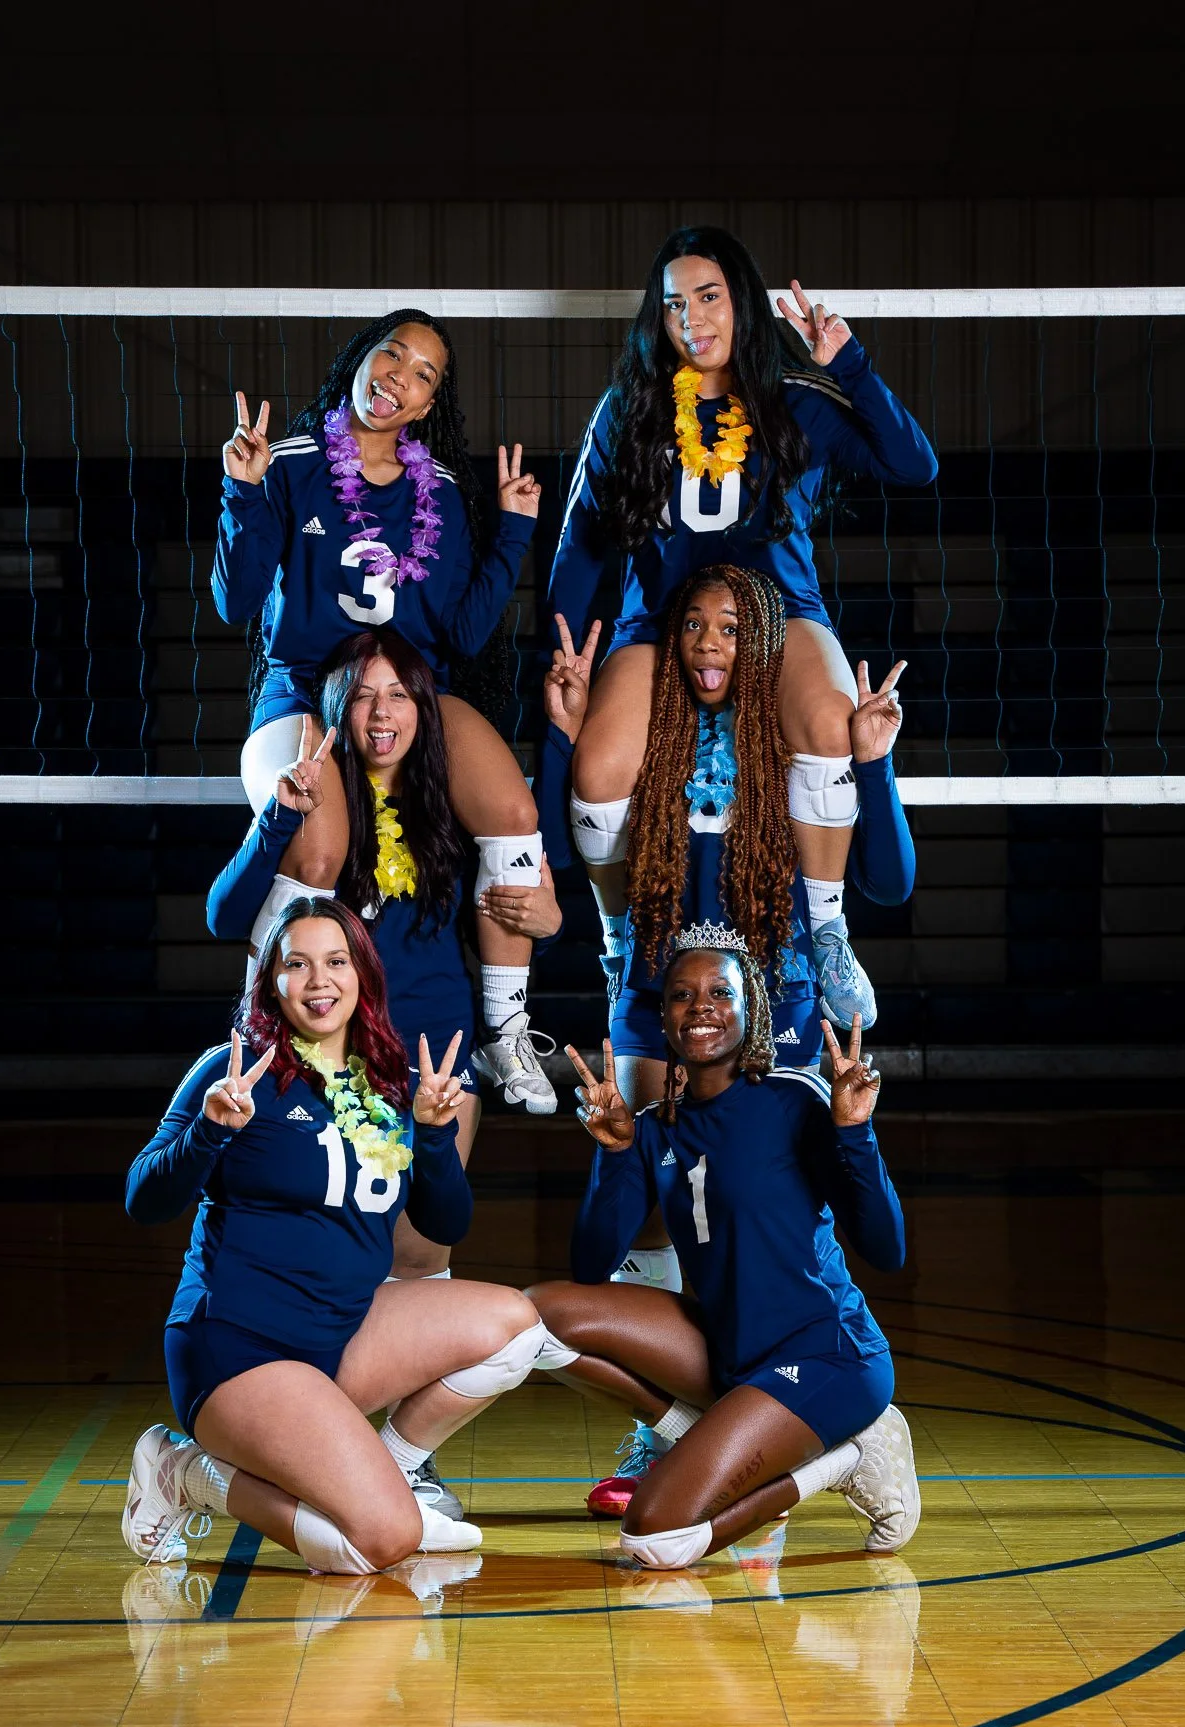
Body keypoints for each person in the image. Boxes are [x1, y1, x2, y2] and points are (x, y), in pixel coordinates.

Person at [540, 565, 914, 1510]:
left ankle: (818, 1397)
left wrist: (872, 758)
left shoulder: (790, 760)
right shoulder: (647, 752)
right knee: (655, 1199)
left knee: (768, 1198)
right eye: (693, 627)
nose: (710, 644)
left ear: (761, 650)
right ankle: (666, 1426)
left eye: (731, 630)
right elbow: (561, 844)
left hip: (771, 996)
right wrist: (563, 733)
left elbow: (892, 878)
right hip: (656, 991)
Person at [548, 224, 936, 1029]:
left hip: (778, 613)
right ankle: (622, 942)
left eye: (708, 296)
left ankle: (826, 929)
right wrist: (568, 648)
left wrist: (847, 363)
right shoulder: (631, 407)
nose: (690, 317)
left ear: (743, 303)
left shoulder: (792, 397)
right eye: (672, 304)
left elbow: (914, 465)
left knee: (831, 722)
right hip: (657, 621)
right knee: (597, 771)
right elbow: (583, 542)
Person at [122, 897, 576, 1579]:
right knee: (378, 1545)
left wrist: (431, 1136)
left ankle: (388, 1476)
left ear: (363, 974)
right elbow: (143, 1199)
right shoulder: (235, 1070)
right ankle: (185, 1472)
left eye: (335, 961)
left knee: (514, 1324)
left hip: (340, 1337)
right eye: (296, 964)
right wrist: (210, 1131)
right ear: (269, 982)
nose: (318, 980)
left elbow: (446, 1225)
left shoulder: (388, 1087)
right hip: (239, 1351)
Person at [212, 309, 556, 1109]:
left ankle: (504, 1031)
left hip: (405, 696)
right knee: (318, 854)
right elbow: (235, 603)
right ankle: (265, 1026)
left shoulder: (435, 489)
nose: (400, 374)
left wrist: (512, 532)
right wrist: (244, 490)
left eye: (423, 372)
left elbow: (462, 633)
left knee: (511, 808)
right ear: (360, 363)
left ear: (427, 404)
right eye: (390, 353)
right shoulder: (290, 461)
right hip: (305, 691)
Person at [528, 932, 920, 1568]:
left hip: (823, 1356)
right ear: (663, 1018)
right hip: (727, 1348)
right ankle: (718, 1436)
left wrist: (856, 1133)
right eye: (682, 995)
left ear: (752, 1009)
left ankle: (846, 1460)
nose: (700, 1006)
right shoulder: (656, 1125)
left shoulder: (795, 1099)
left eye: (720, 992)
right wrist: (616, 1153)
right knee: (540, 1316)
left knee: (653, 1533)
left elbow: (887, 1248)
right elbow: (590, 1267)